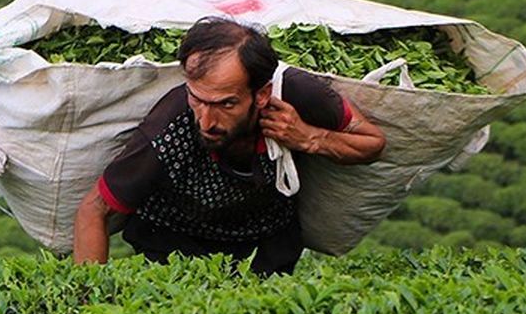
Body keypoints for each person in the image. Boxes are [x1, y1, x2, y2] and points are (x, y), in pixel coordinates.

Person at [73, 16, 387, 276]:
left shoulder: (296, 95)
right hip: (177, 241)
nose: (207, 120)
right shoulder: (167, 128)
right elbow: (94, 209)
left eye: (226, 104)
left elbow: (372, 143)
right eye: (197, 99)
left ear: (261, 95)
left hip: (266, 238)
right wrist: (91, 306)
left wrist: (309, 137)